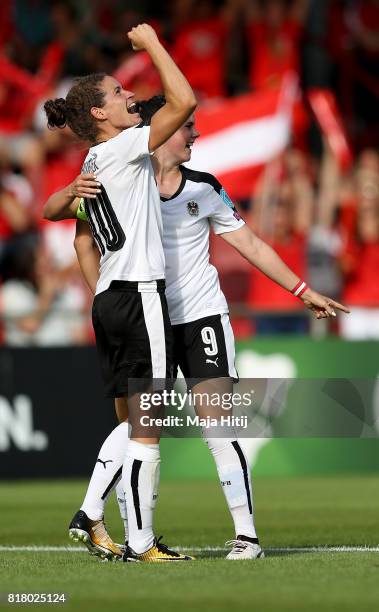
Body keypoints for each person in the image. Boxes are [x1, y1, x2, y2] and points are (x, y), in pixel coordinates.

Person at [44, 97, 349, 561]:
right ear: (160, 132)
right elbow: (81, 238)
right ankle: (122, 531)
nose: (195, 135)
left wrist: (301, 289)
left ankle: (246, 537)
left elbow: (248, 241)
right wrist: (101, 293)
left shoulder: (203, 188)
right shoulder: (125, 181)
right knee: (139, 427)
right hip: (147, 317)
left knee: (216, 424)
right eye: (188, 127)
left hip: (202, 317)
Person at [43, 24, 197, 563]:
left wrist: (99, 289)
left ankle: (92, 514)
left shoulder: (91, 163)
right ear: (101, 115)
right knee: (149, 426)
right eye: (118, 92)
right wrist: (153, 43)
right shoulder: (126, 148)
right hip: (139, 295)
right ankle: (141, 544)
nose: (130, 94)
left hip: (110, 298)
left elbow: (62, 221)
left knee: (132, 422)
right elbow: (185, 99)